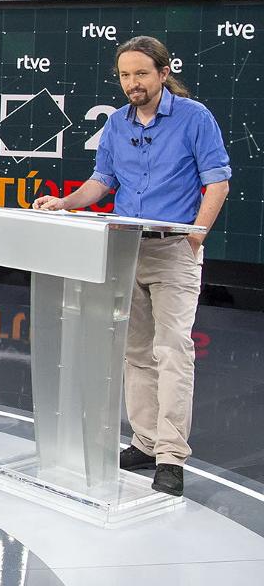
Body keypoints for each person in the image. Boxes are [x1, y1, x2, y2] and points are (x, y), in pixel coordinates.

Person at [33, 35, 231, 497]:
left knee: (173, 351)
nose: (132, 83)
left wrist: (197, 236)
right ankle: (145, 441)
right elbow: (102, 181)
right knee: (136, 352)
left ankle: (171, 457)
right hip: (125, 251)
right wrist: (64, 203)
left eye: (141, 73)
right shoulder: (117, 123)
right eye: (125, 75)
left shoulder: (194, 117)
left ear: (163, 73)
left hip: (174, 250)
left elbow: (217, 182)